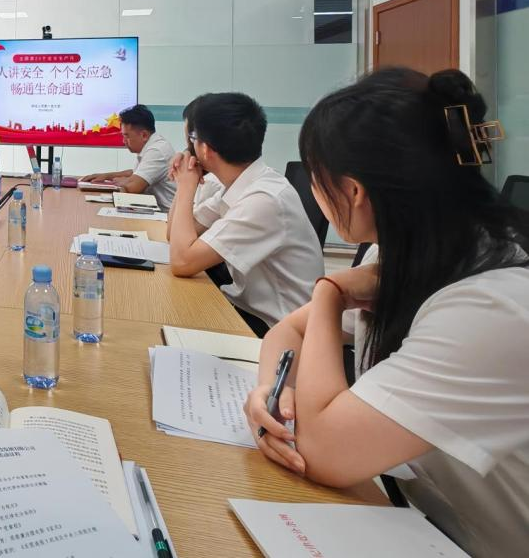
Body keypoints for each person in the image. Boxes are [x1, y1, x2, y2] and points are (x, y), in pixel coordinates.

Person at [244, 69, 529, 557]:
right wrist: (273, 396)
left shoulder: (492, 307)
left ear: (353, 191)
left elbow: (324, 452)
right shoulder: (414, 249)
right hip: (418, 517)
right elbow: (288, 332)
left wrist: (330, 293)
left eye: (316, 176)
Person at [166, 92, 322, 332]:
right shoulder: (241, 183)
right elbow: (174, 235)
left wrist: (186, 186)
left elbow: (182, 262)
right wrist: (183, 181)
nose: (189, 149)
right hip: (248, 310)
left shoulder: (264, 199)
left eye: (193, 139)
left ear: (205, 150)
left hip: (279, 329)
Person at [84, 104, 176, 209]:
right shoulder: (152, 145)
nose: (123, 141)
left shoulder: (157, 150)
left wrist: (125, 182)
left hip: (166, 215)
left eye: (126, 136)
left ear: (144, 135)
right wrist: (107, 176)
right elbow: (136, 172)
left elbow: (132, 188)